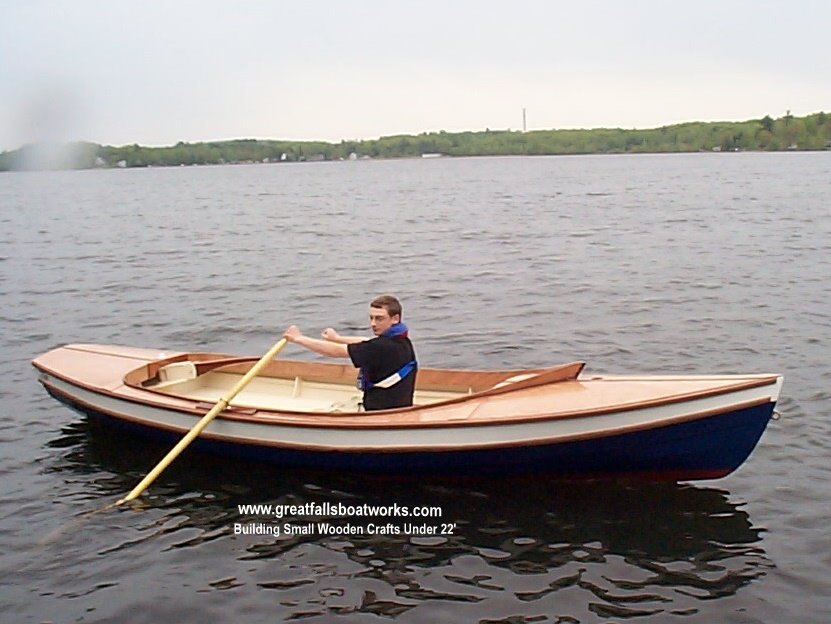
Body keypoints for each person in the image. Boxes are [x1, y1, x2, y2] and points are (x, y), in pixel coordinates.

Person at [283, 295, 417, 411]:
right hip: (400, 408)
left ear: (395, 318)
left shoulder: (381, 347)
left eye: (379, 319)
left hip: (380, 414)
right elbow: (366, 341)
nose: (373, 323)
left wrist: (298, 338)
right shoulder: (401, 340)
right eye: (371, 318)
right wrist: (337, 338)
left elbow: (335, 351)